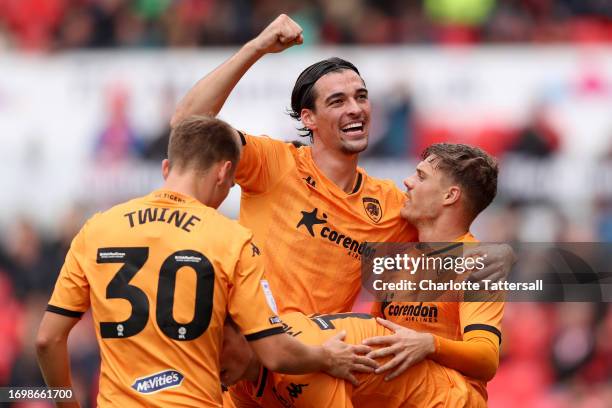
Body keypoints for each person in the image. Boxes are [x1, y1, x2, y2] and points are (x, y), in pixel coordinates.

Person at [171, 14, 514, 316]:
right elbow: (188, 122)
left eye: (361, 96)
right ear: (309, 119)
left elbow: (452, 242)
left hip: (312, 376)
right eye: (337, 101)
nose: (355, 108)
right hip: (244, 368)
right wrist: (256, 47)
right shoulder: (273, 162)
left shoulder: (391, 208)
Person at [36, 116, 376, 408]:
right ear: (224, 172)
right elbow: (274, 353)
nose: (227, 191)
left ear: (167, 168)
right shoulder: (230, 238)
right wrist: (327, 357)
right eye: (230, 184)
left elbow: (47, 341)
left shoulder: (97, 229)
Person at [364, 143, 503, 403]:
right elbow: (375, 332)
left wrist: (430, 344)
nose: (407, 181)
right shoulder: (396, 257)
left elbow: (487, 358)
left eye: (421, 176)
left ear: (449, 196)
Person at [222, 312, 485, 408]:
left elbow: (487, 357)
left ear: (245, 330)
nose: (210, 358)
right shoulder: (242, 382)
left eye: (220, 344)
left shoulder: (304, 370)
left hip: (445, 401)